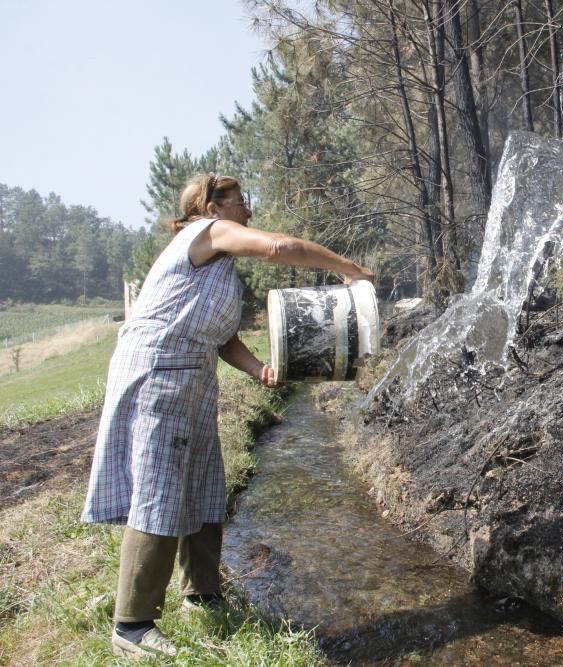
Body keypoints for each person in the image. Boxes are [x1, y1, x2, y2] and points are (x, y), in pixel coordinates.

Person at [80, 173, 375, 659]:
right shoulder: (204, 234)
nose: (249, 212)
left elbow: (222, 337)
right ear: (210, 207)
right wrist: (348, 269)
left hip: (191, 375)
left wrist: (258, 369)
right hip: (159, 370)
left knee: (202, 482)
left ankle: (202, 592)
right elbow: (280, 248)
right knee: (160, 486)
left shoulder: (218, 268)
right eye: (241, 203)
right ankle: (131, 624)